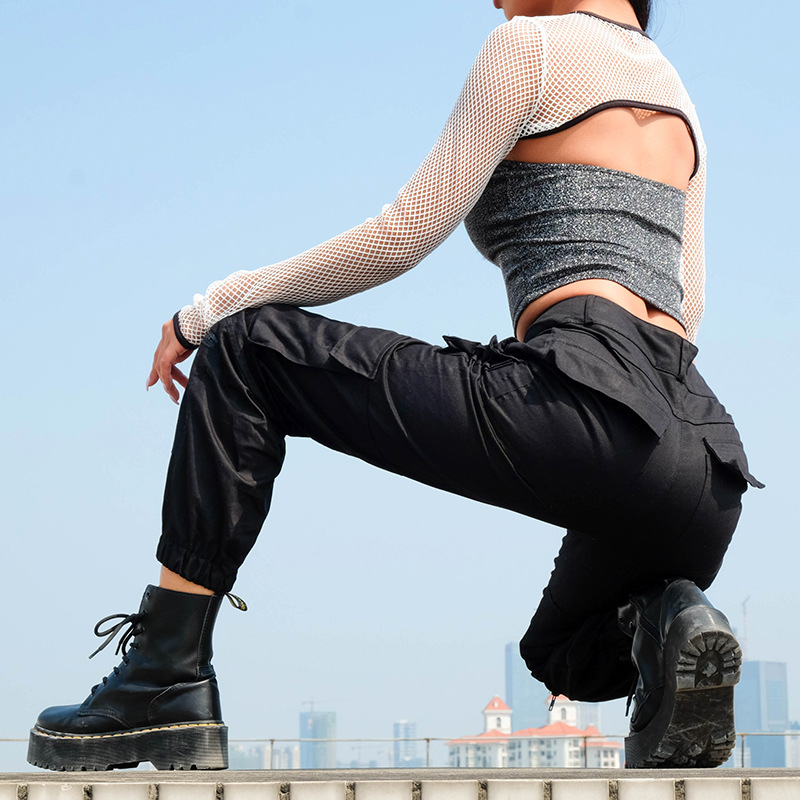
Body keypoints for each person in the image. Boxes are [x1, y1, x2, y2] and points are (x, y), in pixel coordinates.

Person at [28, 0, 762, 772]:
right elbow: (689, 306)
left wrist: (210, 308)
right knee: (561, 655)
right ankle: (667, 617)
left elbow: (402, 235)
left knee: (246, 349)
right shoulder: (679, 100)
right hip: (707, 466)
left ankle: (163, 676)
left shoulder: (532, 48)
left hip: (586, 394)